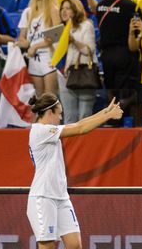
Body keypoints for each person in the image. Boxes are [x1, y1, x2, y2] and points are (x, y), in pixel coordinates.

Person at [26, 94, 123, 248]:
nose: (61, 118)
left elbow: (79, 123)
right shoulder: (40, 131)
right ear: (50, 113)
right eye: (59, 114)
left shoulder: (50, 130)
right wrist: (109, 116)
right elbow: (79, 129)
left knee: (74, 245)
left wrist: (104, 112)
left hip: (61, 196)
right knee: (48, 246)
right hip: (43, 197)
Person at [95, 0, 140, 123]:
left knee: (111, 91)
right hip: (125, 54)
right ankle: (122, 121)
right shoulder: (130, 6)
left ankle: (112, 121)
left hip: (106, 55)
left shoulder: (100, 6)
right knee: (125, 92)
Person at [18, 0, 61, 98]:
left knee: (50, 100)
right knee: (38, 102)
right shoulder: (27, 12)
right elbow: (22, 37)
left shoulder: (53, 10)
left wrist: (35, 46)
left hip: (49, 59)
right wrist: (23, 43)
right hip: (33, 60)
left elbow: (56, 36)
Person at [59, 0, 97, 124]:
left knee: (84, 118)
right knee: (69, 119)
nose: (64, 11)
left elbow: (88, 50)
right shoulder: (62, 29)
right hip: (65, 77)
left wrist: (73, 40)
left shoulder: (86, 25)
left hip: (83, 75)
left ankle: (85, 144)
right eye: (62, 8)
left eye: (68, 8)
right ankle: (70, 144)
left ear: (76, 10)